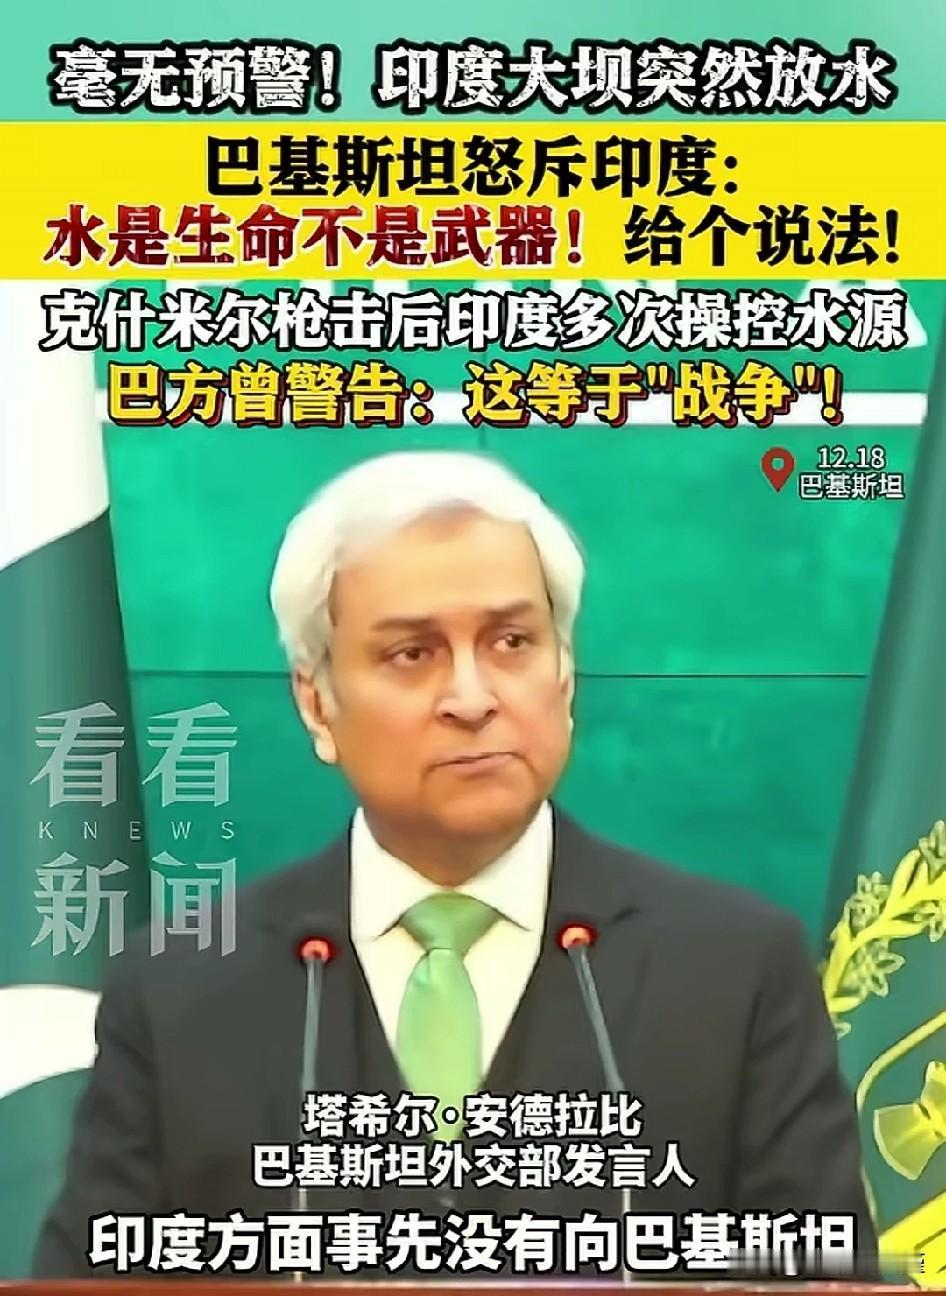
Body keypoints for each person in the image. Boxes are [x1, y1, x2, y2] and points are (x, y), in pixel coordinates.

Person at [33, 450, 876, 1280]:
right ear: (316, 701)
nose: (472, 699)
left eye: (512, 641)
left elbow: (818, 1271)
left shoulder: (735, 970)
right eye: (412, 654)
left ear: (565, 676)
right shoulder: (181, 989)